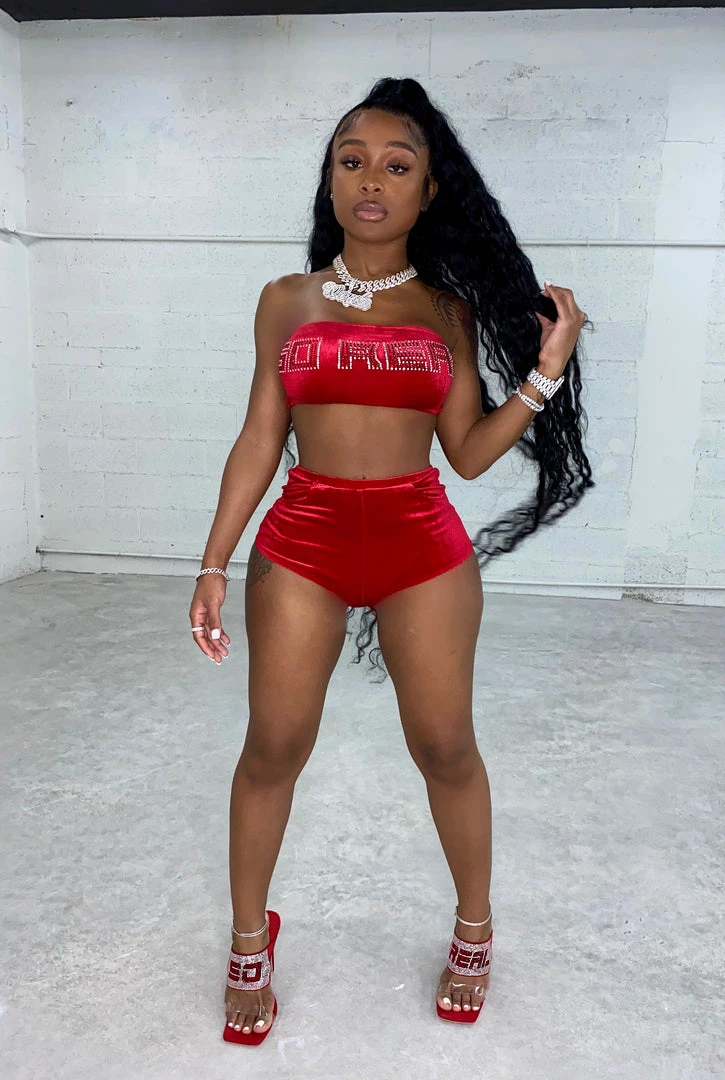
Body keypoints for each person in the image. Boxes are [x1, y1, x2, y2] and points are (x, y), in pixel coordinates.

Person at [188, 77, 589, 1042]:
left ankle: (474, 927)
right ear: (330, 181)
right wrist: (212, 562)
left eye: (397, 166)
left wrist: (545, 373)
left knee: (445, 747)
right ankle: (248, 941)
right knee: (273, 747)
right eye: (352, 161)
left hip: (421, 548)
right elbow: (260, 436)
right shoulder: (284, 301)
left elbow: (466, 452)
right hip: (304, 543)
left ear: (428, 190)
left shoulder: (447, 311)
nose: (372, 180)